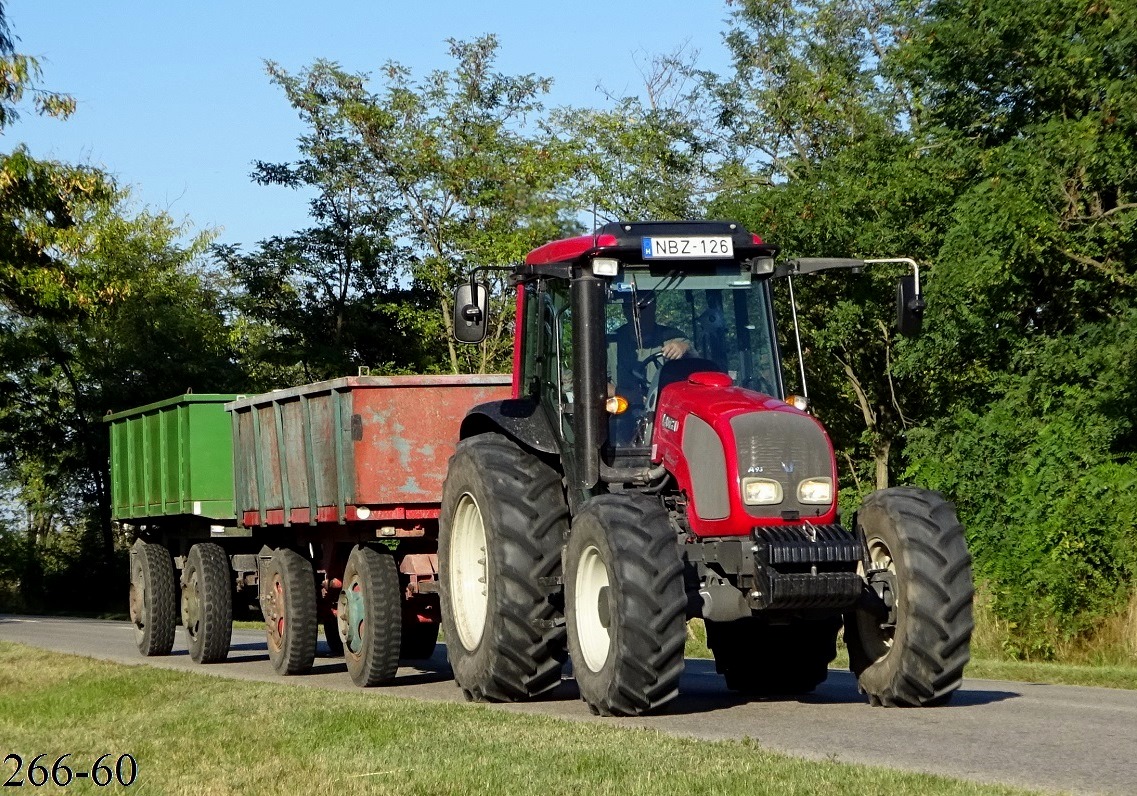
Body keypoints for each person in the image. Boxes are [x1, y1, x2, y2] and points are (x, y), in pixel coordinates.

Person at [610, 292, 693, 409]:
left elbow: (699, 366)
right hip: (624, 410)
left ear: (654, 307)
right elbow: (593, 384)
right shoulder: (611, 343)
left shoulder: (672, 337)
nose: (637, 313)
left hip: (665, 408)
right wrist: (625, 394)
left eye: (643, 307)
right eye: (631, 308)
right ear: (625, 311)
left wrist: (684, 347)